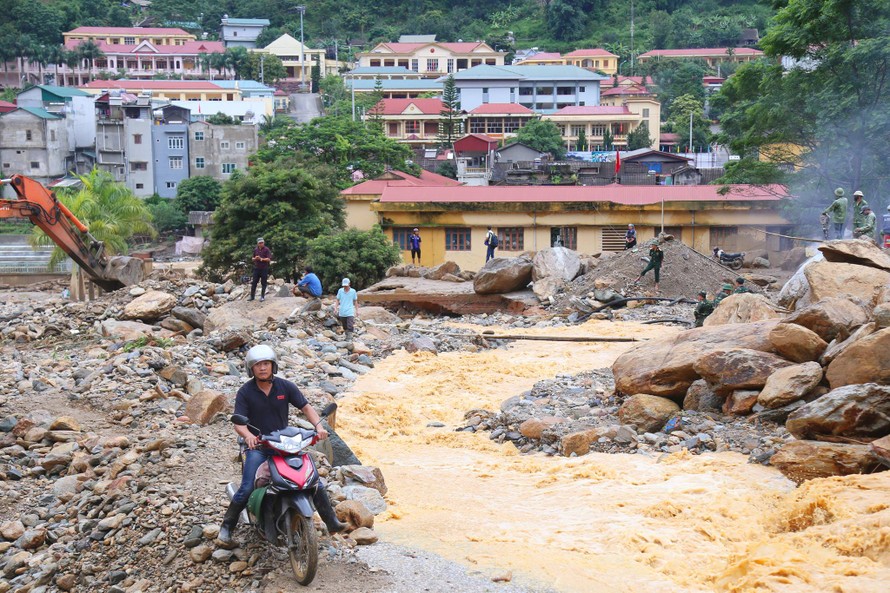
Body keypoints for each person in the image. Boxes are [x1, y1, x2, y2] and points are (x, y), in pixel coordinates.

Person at [218, 344, 345, 543]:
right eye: (258, 364)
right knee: (247, 487)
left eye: (266, 363)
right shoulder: (245, 392)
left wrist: (319, 428)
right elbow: (239, 423)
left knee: (313, 481)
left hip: (284, 445)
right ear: (251, 368)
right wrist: (248, 436)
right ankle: (227, 527)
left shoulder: (285, 387)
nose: (262, 368)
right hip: (259, 447)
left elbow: (306, 408)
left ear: (273, 365)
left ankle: (332, 522)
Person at [335, 278, 359, 343]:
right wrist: (335, 308)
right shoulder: (340, 291)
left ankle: (350, 337)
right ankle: (346, 335)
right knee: (344, 325)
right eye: (344, 286)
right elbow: (337, 300)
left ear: (349, 284)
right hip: (342, 311)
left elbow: (355, 301)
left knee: (350, 324)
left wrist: (357, 310)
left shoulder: (353, 291)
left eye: (346, 285)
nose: (345, 287)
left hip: (350, 311)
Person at [249, 238, 272, 302]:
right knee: (254, 282)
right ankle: (252, 296)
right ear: (258, 243)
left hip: (264, 268)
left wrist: (261, 259)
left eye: (262, 243)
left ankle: (262, 296)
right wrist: (255, 258)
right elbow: (252, 258)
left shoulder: (266, 249)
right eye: (260, 243)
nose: (261, 244)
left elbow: (269, 259)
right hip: (256, 268)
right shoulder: (255, 249)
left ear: (264, 243)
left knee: (263, 283)